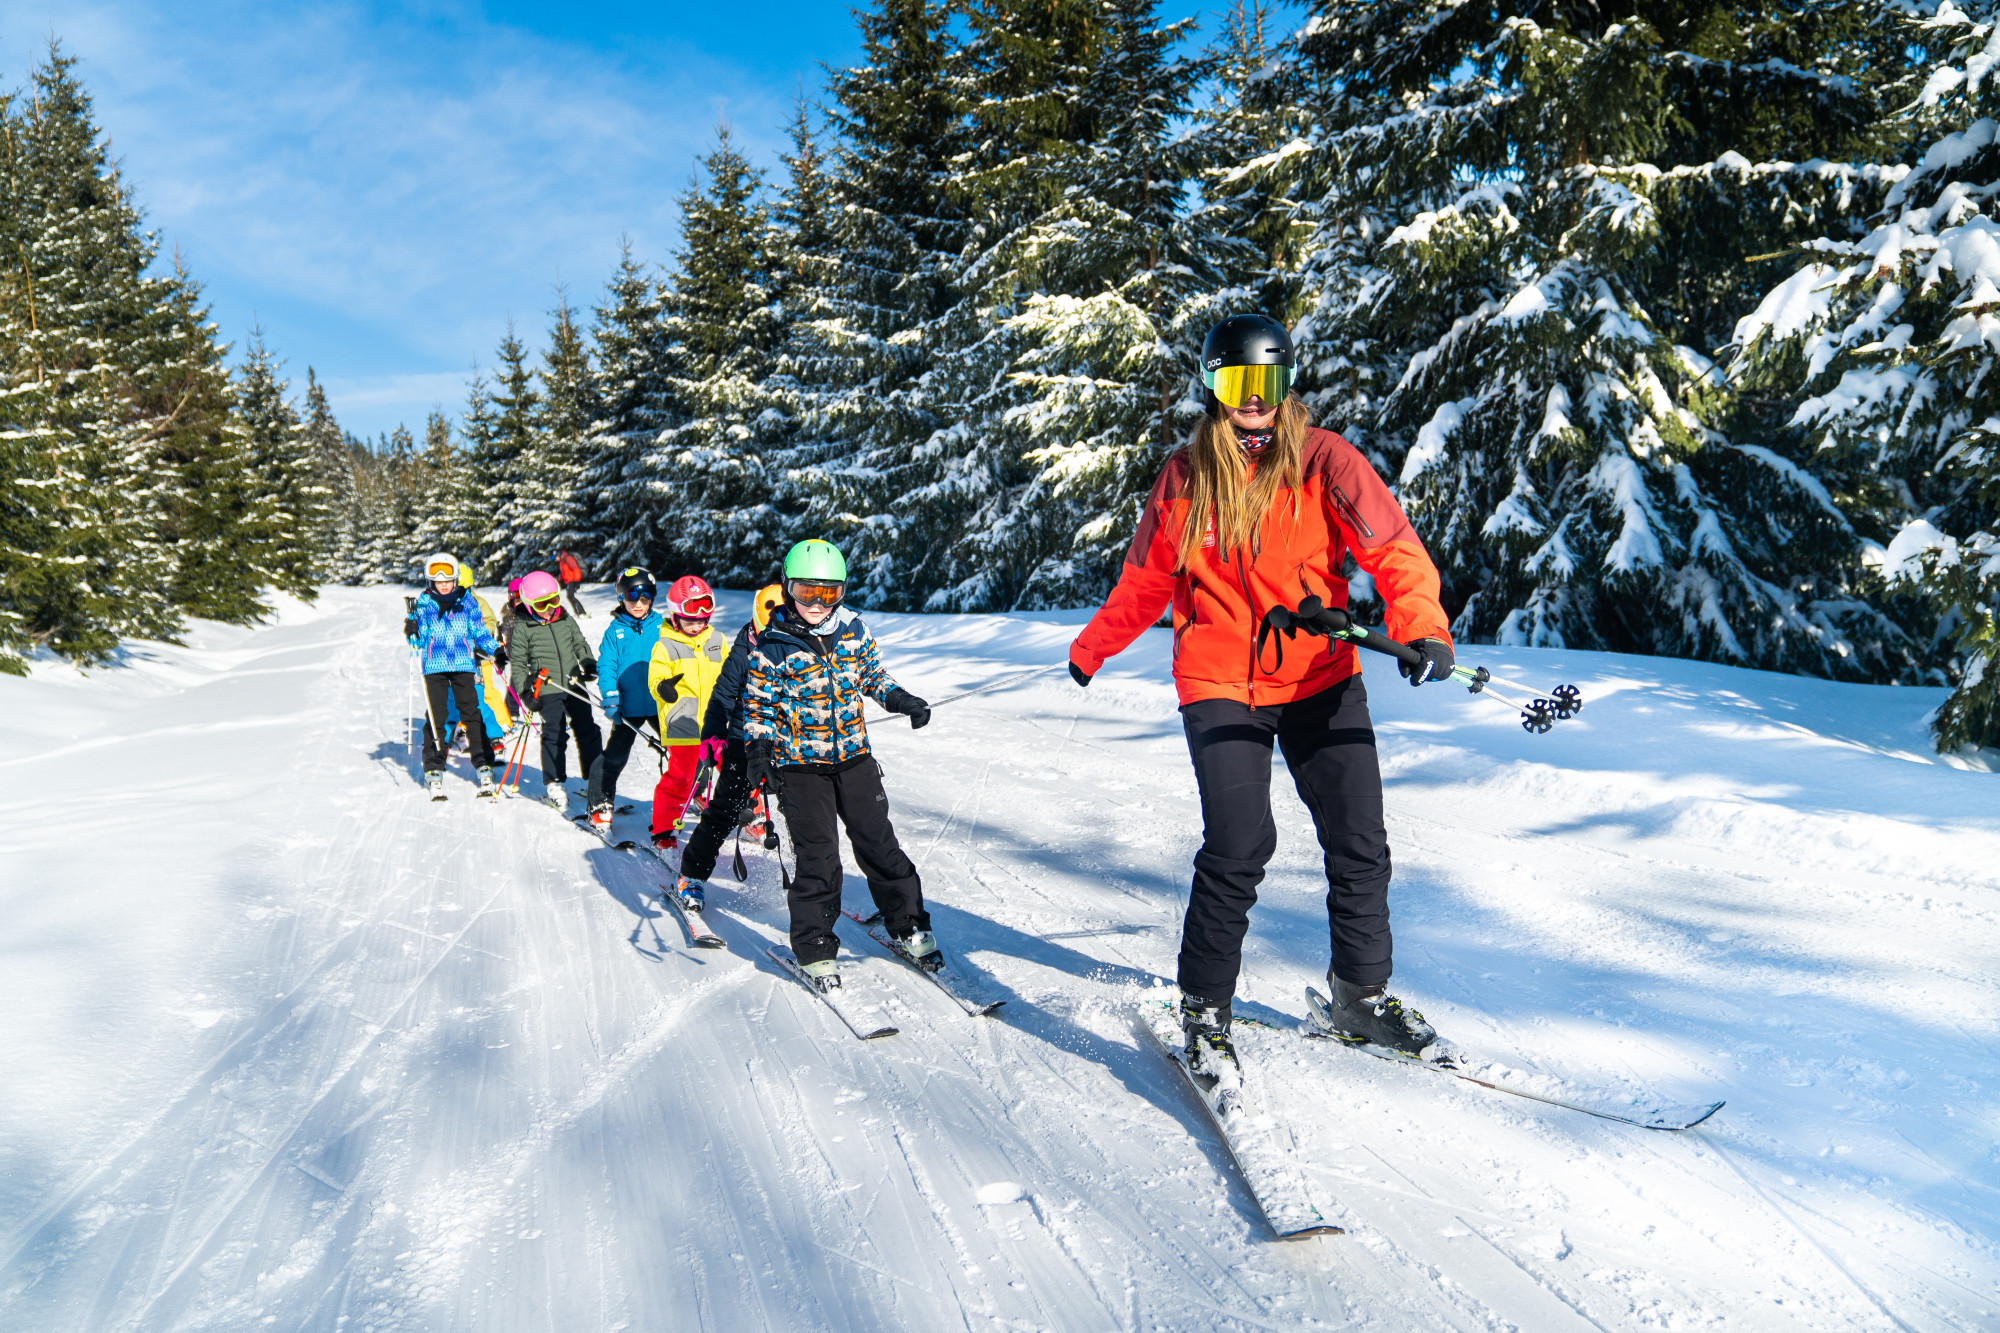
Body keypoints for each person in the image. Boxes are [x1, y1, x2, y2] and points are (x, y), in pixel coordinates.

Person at [1066, 313, 1457, 1070]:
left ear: (1286, 385)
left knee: (1358, 835)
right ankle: (1206, 1011)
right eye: (1237, 383)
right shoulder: (1185, 475)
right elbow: (1146, 582)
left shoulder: (1326, 461)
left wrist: (1424, 627)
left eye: (1267, 383)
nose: (1253, 400)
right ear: (1212, 386)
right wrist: (1092, 649)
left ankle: (1360, 998)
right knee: (1242, 841)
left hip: (1318, 673)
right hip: (1220, 680)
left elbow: (1394, 550)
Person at [742, 540, 933, 990]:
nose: (816, 604)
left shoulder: (852, 631)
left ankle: (909, 926)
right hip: (800, 769)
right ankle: (814, 949)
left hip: (854, 760)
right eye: (806, 592)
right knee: (819, 857)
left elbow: (871, 675)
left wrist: (902, 700)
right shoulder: (772, 645)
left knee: (879, 845)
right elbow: (757, 707)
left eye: (828, 594)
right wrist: (758, 752)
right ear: (788, 589)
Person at [676, 583, 785, 902]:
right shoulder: (746, 645)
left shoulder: (803, 643)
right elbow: (723, 695)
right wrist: (711, 734)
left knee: (803, 813)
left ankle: (813, 888)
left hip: (787, 742)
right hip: (744, 739)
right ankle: (691, 875)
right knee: (724, 810)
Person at [405, 552, 500, 798]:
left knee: (471, 712)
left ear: (455, 579)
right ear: (430, 582)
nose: (444, 585)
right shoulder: (423, 604)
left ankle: (483, 762)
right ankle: (434, 766)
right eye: (439, 581)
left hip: (463, 664)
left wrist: (495, 650)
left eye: (448, 580)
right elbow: (417, 639)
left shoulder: (468, 602)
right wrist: (412, 629)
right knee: (436, 715)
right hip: (434, 666)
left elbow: (479, 632)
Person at [645, 575, 727, 856]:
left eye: (702, 619)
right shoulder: (665, 646)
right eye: (690, 619)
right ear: (674, 616)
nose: (697, 625)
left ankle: (746, 814)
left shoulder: (717, 640)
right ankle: (664, 829)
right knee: (681, 777)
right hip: (683, 724)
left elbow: (731, 673)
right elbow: (655, 678)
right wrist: (663, 688)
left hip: (718, 723)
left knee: (736, 768)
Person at [508, 569, 602, 811]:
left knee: (588, 729)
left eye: (554, 600)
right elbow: (518, 664)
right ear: (529, 605)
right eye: (542, 604)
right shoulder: (523, 627)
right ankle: (554, 783)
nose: (550, 608)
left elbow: (579, 643)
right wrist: (524, 692)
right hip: (548, 686)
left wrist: (588, 662)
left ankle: (594, 780)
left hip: (573, 682)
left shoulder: (564, 618)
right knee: (554, 732)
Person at [584, 567, 665, 832]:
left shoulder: (662, 626)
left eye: (645, 599)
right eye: (632, 599)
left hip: (658, 705)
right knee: (614, 757)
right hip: (627, 708)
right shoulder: (614, 631)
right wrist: (610, 696)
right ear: (621, 598)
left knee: (681, 750)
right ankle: (600, 803)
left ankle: (694, 792)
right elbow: (607, 666)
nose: (639, 605)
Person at [440, 563, 511, 764]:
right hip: (449, 661)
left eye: (465, 589)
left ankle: (495, 737)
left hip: (474, 660)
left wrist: (482, 637)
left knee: (478, 699)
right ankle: (443, 739)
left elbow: (489, 622)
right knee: (450, 701)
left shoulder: (477, 602)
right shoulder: (442, 604)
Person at [556, 549, 589, 619]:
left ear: (558, 554)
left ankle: (581, 613)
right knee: (570, 596)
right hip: (569, 581)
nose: (554, 560)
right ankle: (579, 612)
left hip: (573, 580)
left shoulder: (568, 558)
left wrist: (577, 581)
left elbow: (576, 569)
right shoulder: (562, 561)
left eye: (554, 557)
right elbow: (564, 573)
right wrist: (559, 579)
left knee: (570, 596)